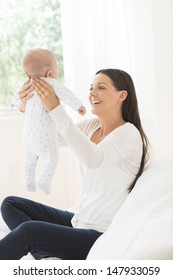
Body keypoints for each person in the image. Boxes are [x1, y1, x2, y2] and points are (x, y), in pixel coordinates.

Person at [0, 68, 149, 260]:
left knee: (30, 231)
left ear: (122, 95)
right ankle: (46, 254)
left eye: (101, 87)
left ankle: (46, 250)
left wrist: (56, 109)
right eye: (91, 87)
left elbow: (93, 159)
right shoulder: (91, 126)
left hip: (100, 235)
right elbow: (45, 140)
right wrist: (25, 108)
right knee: (10, 204)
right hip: (78, 221)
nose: (92, 93)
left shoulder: (128, 134)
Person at [12, 48, 86, 194]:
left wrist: (20, 105)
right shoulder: (51, 83)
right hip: (46, 137)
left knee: (29, 160)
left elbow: (15, 100)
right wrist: (79, 106)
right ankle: (44, 181)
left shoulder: (25, 86)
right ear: (50, 73)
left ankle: (28, 181)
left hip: (28, 137)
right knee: (52, 157)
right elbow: (66, 94)